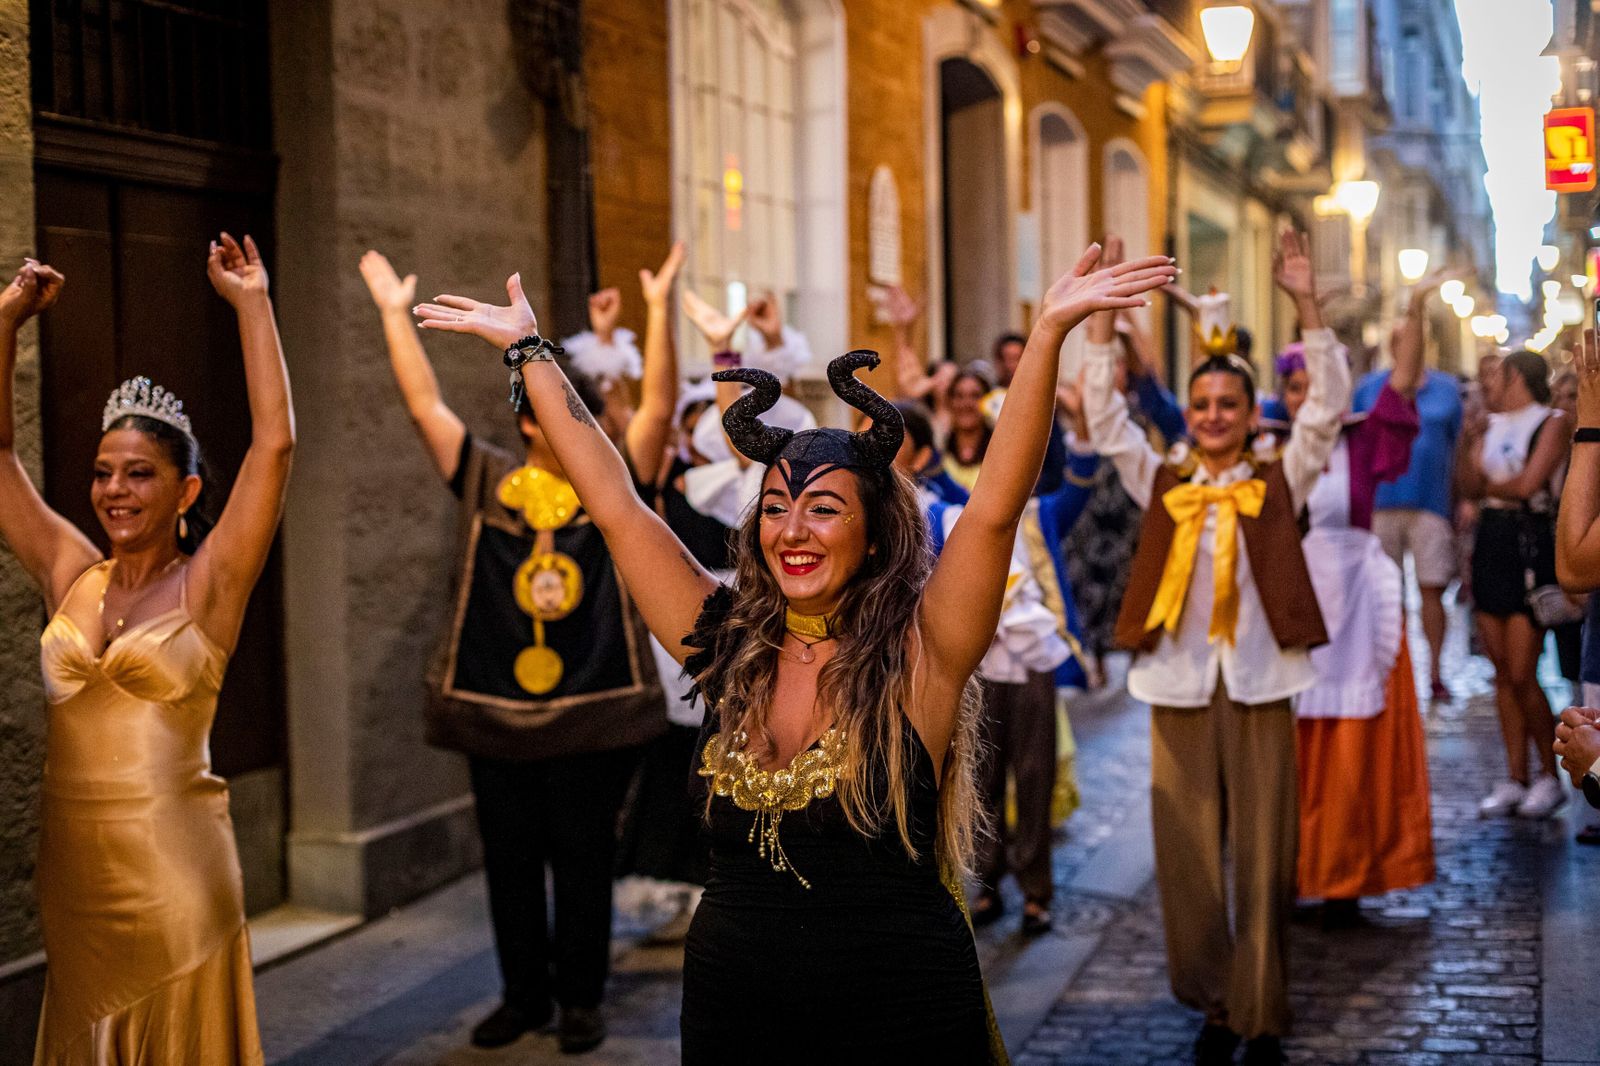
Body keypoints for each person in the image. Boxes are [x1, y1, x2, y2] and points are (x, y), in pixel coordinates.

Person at [413, 244, 1177, 1063]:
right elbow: (618, 506)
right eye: (776, 507)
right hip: (732, 1009)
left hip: (897, 1013)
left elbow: (994, 507)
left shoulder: (923, 653)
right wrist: (532, 354)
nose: (793, 530)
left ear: (876, 534)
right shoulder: (728, 647)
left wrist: (1052, 331)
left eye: (821, 509)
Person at [360, 246, 681, 1053]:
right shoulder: (489, 481)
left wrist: (663, 308)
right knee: (508, 865)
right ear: (532, 416)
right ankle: (523, 997)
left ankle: (581, 999)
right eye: (563, 408)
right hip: (497, 709)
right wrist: (395, 314)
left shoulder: (611, 485)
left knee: (582, 861)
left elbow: (659, 412)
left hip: (592, 708)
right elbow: (424, 403)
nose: (590, 424)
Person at [5, 236, 292, 1064]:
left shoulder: (210, 587)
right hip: (73, 878)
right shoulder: (70, 573)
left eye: (138, 474)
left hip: (177, 882)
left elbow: (273, 445)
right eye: (102, 473)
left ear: (186, 491)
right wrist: (5, 323)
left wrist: (251, 305)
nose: (114, 492)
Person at [1083, 230, 1348, 1066]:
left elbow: (1328, 408)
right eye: (1202, 406)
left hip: (1263, 681)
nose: (1212, 417)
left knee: (1267, 859)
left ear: (1249, 413)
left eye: (1228, 406)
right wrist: (1099, 322)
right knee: (1189, 859)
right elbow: (1103, 418)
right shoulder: (1160, 477)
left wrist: (1308, 303)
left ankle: (1261, 1007)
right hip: (1179, 685)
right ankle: (1214, 1001)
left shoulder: (1282, 477)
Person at [1279, 286, 1436, 927]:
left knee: (1353, 752)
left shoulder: (1365, 442)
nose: (1306, 398)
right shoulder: (1264, 451)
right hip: (1292, 615)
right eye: (1295, 387)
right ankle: (1292, 872)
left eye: (1317, 384)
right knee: (1290, 751)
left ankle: (1346, 879)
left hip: (1358, 613)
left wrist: (1418, 311)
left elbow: (1403, 379)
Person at [1457, 351, 1569, 819]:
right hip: (1492, 542)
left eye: (1497, 374)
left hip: (1527, 543)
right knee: (1501, 670)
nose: (1488, 382)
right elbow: (1467, 486)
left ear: (1517, 376)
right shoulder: (1491, 423)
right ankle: (1516, 775)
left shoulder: (1551, 420)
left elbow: (1528, 485)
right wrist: (1469, 443)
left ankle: (1549, 773)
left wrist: (1488, 488)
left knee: (1524, 671)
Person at [1352, 279, 1464, 704]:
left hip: (1432, 503)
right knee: (1386, 593)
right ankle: (1393, 673)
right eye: (1399, 339)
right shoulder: (1368, 388)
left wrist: (1461, 501)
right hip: (1381, 504)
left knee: (1432, 590)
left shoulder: (1448, 389)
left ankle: (1434, 671)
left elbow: (1459, 449)